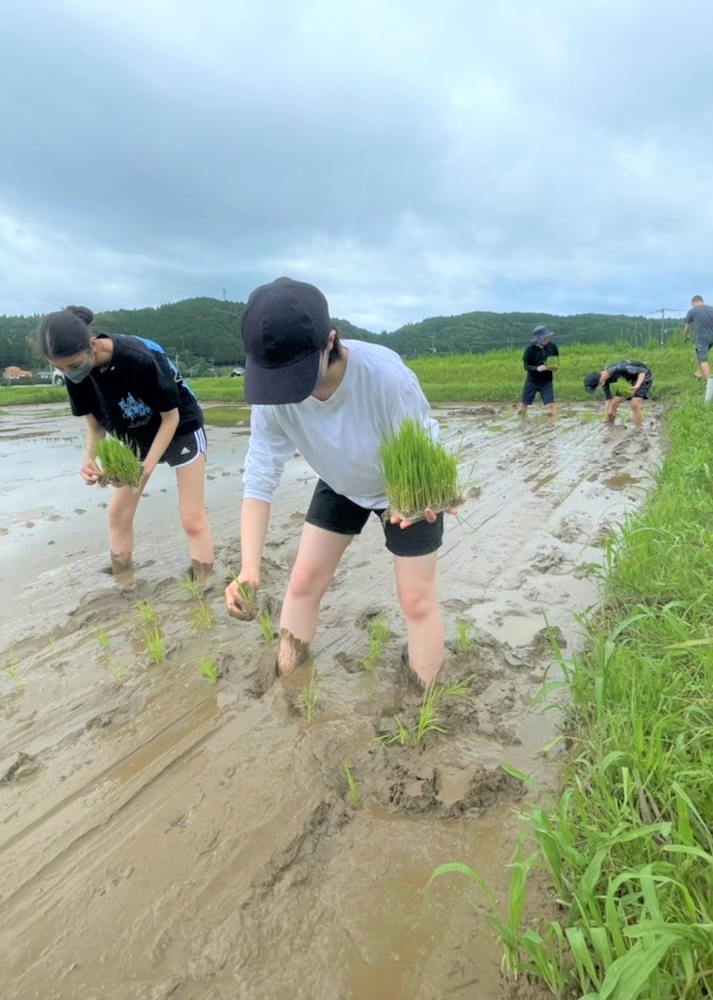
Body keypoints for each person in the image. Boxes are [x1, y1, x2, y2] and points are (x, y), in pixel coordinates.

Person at [223, 278, 450, 693]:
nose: (288, 394)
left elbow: (425, 451)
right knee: (304, 579)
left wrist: (425, 498)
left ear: (331, 342)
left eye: (296, 376)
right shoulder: (273, 400)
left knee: (415, 598)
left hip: (403, 485)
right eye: (276, 379)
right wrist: (249, 570)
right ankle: (289, 681)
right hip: (340, 481)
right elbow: (258, 479)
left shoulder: (384, 376)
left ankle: (426, 699)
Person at [38, 305, 214, 579]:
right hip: (136, 439)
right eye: (59, 368)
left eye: (72, 365)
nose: (69, 373)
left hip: (181, 428)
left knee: (192, 519)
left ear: (92, 344)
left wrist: (146, 466)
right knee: (118, 516)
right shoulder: (76, 376)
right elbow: (95, 427)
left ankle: (205, 584)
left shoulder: (139, 358)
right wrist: (88, 459)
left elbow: (171, 418)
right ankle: (123, 582)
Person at [583, 360, 653, 426]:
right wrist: (606, 416)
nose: (599, 386)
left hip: (643, 377)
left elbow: (643, 371)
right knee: (613, 404)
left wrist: (637, 385)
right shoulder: (604, 381)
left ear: (600, 380)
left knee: (634, 404)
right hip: (628, 380)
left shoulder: (619, 368)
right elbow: (608, 399)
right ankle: (609, 425)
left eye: (597, 385)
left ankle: (638, 429)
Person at [518, 325, 560, 419]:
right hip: (532, 380)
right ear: (537, 339)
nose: (546, 339)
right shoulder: (529, 350)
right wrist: (537, 368)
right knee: (523, 405)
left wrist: (554, 367)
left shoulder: (552, 347)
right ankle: (521, 423)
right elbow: (526, 366)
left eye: (547, 337)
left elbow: (556, 361)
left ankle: (552, 425)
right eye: (544, 337)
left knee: (550, 405)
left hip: (546, 381)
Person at [682, 295, 713, 381]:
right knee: (699, 354)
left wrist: (685, 337)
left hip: (701, 339)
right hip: (712, 337)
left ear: (693, 302)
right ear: (702, 301)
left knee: (703, 360)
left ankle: (709, 382)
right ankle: (698, 373)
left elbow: (686, 327)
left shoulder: (692, 311)